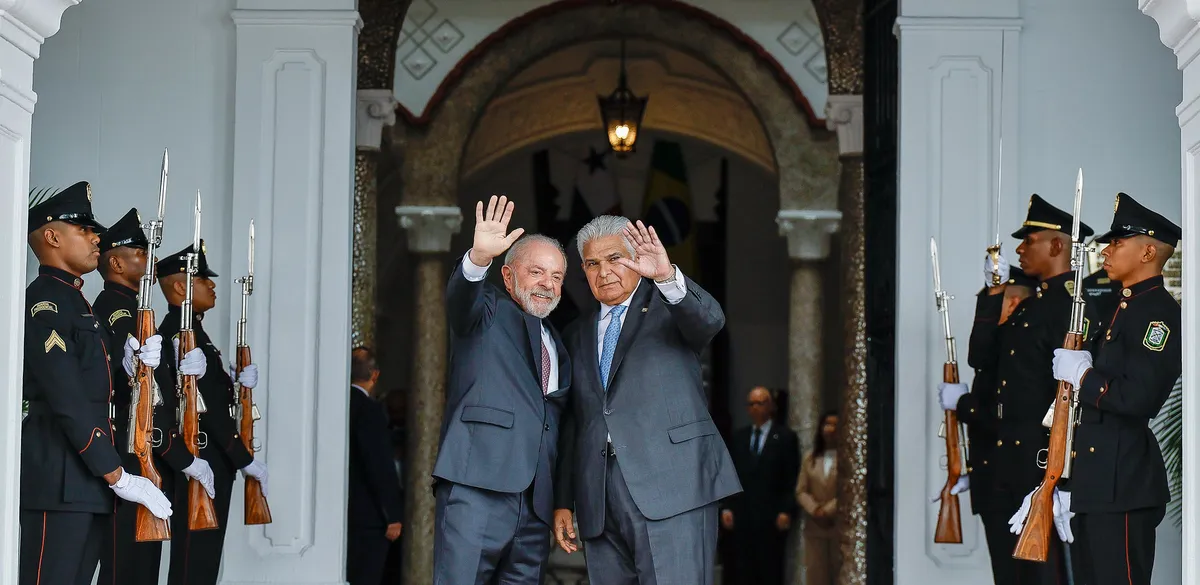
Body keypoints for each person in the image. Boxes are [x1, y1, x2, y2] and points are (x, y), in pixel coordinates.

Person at [552, 215, 740, 585]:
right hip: (599, 499)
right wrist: (564, 498)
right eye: (593, 264)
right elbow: (576, 420)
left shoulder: (668, 307)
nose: (603, 271)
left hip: (673, 487)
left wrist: (667, 275)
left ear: (636, 257)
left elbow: (710, 320)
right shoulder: (576, 332)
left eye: (614, 259)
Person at [20, 182, 174, 585]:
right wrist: (116, 474)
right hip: (61, 479)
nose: (96, 238)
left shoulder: (79, 304)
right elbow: (67, 399)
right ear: (52, 237)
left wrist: (132, 368)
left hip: (86, 481)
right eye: (85, 230)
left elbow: (103, 392)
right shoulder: (45, 304)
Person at [940, 194, 1096, 584]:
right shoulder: (1032, 307)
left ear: (1057, 245)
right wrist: (994, 293)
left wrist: (1066, 480)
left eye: (1030, 241)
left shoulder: (1073, 306)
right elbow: (982, 357)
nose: (1020, 250)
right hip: (1012, 466)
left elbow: (1072, 402)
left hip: (1043, 465)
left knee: (1047, 578)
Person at [1040, 192, 1181, 585]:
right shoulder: (1120, 309)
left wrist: (1083, 376)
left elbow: (1138, 399)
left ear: (1148, 252)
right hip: (1096, 482)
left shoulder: (1160, 317)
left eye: (1118, 243)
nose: (1107, 250)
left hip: (1123, 485)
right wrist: (1068, 482)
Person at [432, 195, 572, 584]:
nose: (547, 284)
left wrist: (559, 500)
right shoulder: (486, 311)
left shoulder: (558, 342)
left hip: (533, 506)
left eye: (557, 276)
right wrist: (478, 258)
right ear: (509, 276)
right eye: (537, 272)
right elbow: (462, 298)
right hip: (477, 489)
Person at [93, 208, 214, 585]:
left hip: (147, 458)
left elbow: (161, 393)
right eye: (142, 254)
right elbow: (137, 402)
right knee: (126, 570)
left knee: (142, 570)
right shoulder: (116, 312)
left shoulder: (133, 309)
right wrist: (181, 456)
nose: (152, 260)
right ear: (116, 262)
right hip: (131, 457)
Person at [156, 240, 269, 585]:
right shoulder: (178, 334)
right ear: (180, 286)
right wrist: (242, 457)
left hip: (212, 460)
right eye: (203, 279)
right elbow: (206, 411)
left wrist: (234, 381)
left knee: (204, 564)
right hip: (200, 459)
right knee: (194, 565)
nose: (212, 285)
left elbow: (213, 399)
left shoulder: (197, 332)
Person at [945, 257, 1036, 585]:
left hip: (1013, 480)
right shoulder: (997, 348)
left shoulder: (1019, 351)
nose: (982, 319)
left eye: (988, 308)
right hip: (993, 476)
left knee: (1021, 575)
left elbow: (1006, 414)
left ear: (1011, 303)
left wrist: (963, 404)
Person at [720, 387, 800, 585]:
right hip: (743, 516)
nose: (755, 407)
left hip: (770, 517)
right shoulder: (739, 437)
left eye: (760, 403)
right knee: (741, 571)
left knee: (770, 570)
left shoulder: (784, 437)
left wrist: (786, 510)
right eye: (751, 404)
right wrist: (727, 506)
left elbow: (791, 477)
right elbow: (730, 475)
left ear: (771, 406)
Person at [347, 346, 403, 585]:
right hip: (369, 518)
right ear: (375, 375)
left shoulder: (335, 404)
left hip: (339, 512)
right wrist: (392, 515)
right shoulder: (369, 411)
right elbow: (379, 464)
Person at [796, 411, 841, 585]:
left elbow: (847, 491)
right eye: (827, 424)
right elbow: (801, 490)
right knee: (816, 574)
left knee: (837, 572)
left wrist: (828, 509)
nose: (830, 429)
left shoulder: (846, 457)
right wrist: (815, 509)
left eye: (835, 425)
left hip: (836, 524)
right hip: (814, 526)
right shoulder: (810, 458)